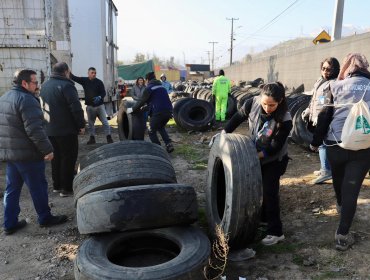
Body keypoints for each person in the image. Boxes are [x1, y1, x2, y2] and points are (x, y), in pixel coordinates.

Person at [310, 53, 370, 251]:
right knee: (351, 189)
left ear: (347, 67)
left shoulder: (334, 86)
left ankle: (340, 203)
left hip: (335, 143)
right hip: (363, 145)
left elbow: (325, 115)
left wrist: (315, 141)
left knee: (338, 178)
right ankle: (342, 235)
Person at [222, 82, 292, 246]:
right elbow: (237, 118)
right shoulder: (251, 103)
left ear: (280, 101)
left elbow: (275, 147)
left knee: (270, 192)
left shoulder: (285, 119)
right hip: (256, 153)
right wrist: (223, 134)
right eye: (265, 104)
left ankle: (276, 232)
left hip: (275, 160)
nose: (267, 108)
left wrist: (251, 156)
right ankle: (264, 219)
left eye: (272, 105)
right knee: (257, 187)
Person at [0, 69, 68, 235]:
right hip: (28, 155)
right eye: (35, 82)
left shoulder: (4, 97)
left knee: (12, 189)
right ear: (24, 83)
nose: (38, 85)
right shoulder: (27, 100)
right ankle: (45, 218)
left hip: (11, 154)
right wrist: (48, 150)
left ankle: (9, 223)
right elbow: (35, 130)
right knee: (38, 187)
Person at [40, 62, 86, 197]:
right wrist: (81, 125)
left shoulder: (45, 85)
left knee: (56, 158)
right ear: (66, 71)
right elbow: (76, 108)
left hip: (49, 129)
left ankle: (57, 186)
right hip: (66, 130)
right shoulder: (67, 86)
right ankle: (66, 188)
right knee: (68, 158)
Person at [301, 57, 340, 184]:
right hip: (317, 117)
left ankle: (326, 171)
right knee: (323, 144)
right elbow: (315, 99)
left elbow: (328, 106)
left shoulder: (333, 84)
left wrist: (321, 118)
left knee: (323, 144)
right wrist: (308, 111)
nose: (325, 71)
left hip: (325, 119)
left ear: (335, 70)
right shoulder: (320, 81)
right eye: (323, 68)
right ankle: (325, 167)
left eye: (329, 69)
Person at [127, 72, 174, 153]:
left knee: (151, 130)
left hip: (159, 112)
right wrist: (143, 109)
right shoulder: (161, 87)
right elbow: (153, 103)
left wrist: (132, 109)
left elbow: (142, 101)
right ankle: (169, 144)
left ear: (147, 80)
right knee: (160, 127)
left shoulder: (149, 88)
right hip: (169, 111)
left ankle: (158, 149)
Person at [70, 67, 113, 144]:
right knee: (91, 123)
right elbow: (74, 78)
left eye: (95, 73)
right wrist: (68, 71)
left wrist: (100, 97)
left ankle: (109, 138)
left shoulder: (99, 82)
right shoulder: (84, 80)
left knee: (105, 122)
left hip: (100, 106)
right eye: (92, 73)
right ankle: (92, 138)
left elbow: (103, 93)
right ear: (88, 73)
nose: (94, 74)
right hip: (90, 106)